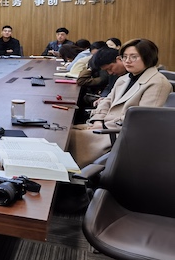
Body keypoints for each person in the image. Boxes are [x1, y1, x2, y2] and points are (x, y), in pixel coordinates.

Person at [69, 39, 172, 167]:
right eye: (125, 57)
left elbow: (142, 120)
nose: (127, 61)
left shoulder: (158, 83)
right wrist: (98, 121)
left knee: (68, 139)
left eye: (133, 57)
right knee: (65, 130)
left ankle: (73, 177)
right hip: (106, 127)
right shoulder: (124, 78)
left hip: (122, 135)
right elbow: (107, 101)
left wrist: (104, 126)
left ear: (147, 57)